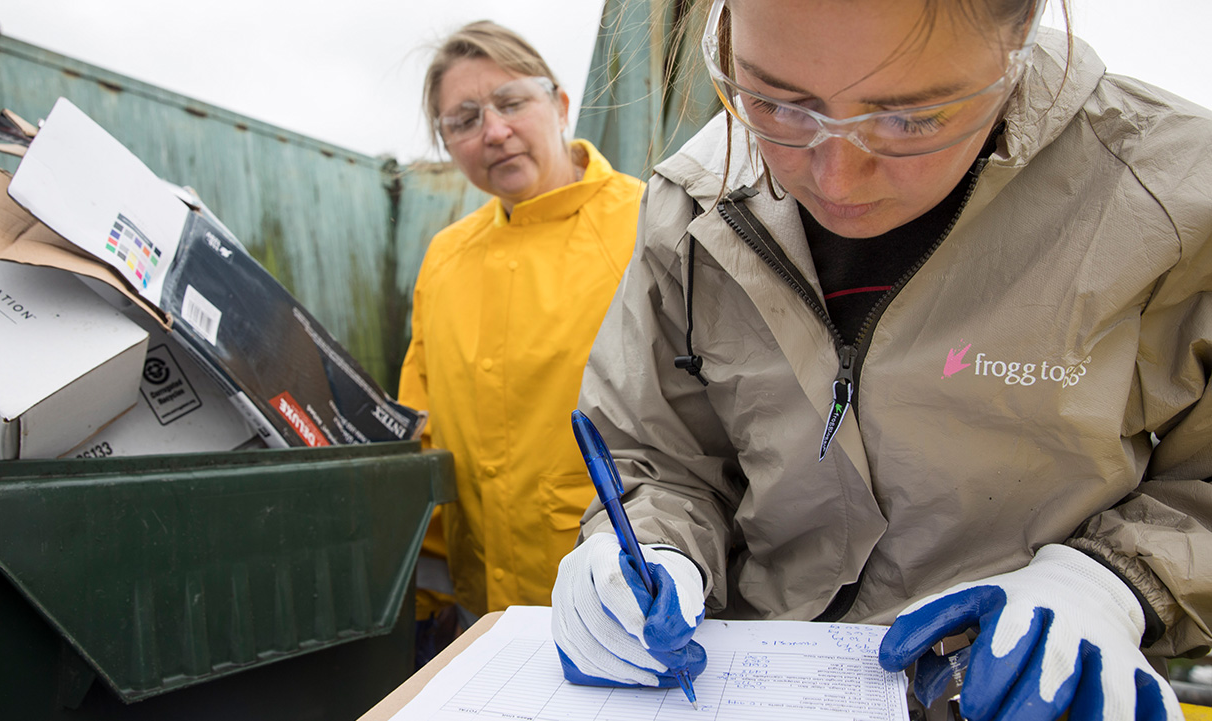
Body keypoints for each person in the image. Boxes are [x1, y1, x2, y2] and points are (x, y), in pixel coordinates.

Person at [551, 0, 1211, 718]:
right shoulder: (695, 201)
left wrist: (1113, 582)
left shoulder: (1174, 198)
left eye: (911, 119)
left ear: (1016, 37)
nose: (835, 182)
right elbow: (662, 457)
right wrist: (654, 548)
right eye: (773, 101)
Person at [398, 20, 645, 643]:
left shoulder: (647, 223)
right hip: (481, 616)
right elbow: (419, 425)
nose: (494, 131)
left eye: (511, 103)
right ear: (448, 143)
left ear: (559, 105)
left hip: (624, 600)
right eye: (464, 119)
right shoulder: (446, 256)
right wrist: (425, 593)